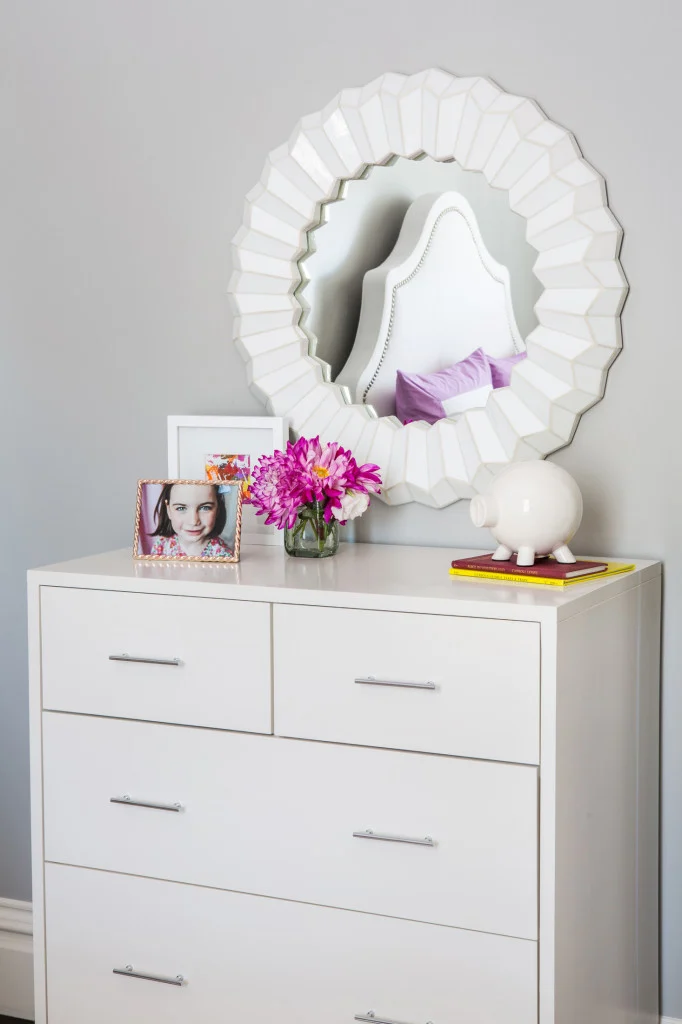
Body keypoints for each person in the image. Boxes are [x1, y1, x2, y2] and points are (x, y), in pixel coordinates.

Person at [148, 482, 233, 558]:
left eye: (205, 508)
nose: (193, 521)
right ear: (168, 510)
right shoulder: (160, 547)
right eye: (181, 508)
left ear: (217, 509)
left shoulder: (223, 555)